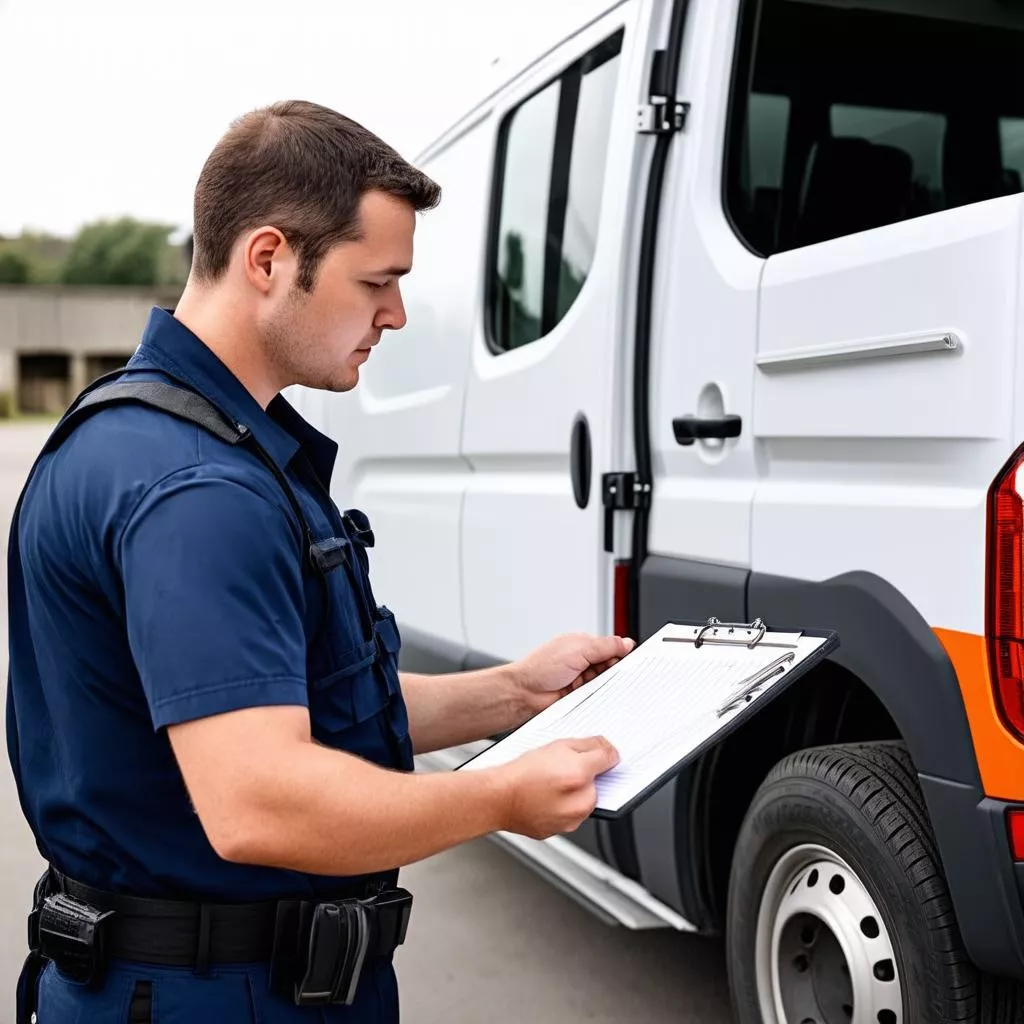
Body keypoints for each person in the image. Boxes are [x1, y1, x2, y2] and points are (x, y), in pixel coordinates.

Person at [6, 99, 631, 1023]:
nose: (399, 312)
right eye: (376, 279)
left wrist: (513, 695)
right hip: (217, 996)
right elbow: (261, 799)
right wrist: (498, 797)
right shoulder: (196, 488)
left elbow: (286, 706)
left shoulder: (159, 440)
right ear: (268, 259)